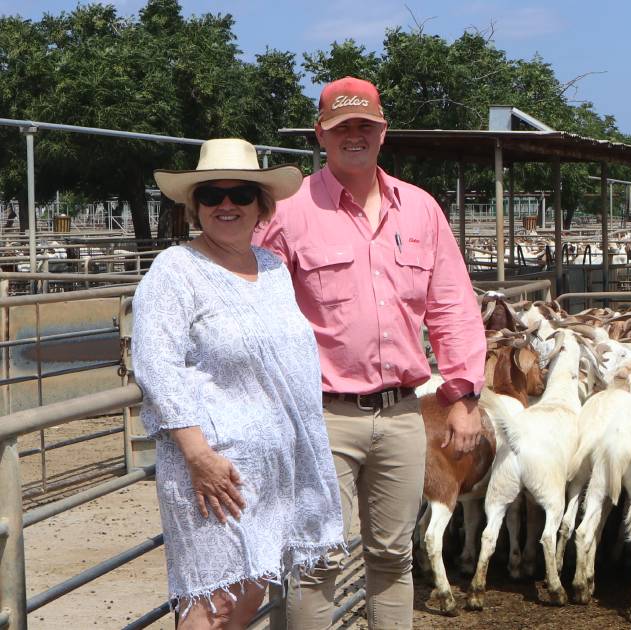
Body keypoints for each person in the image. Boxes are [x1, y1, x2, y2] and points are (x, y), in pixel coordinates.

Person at [254, 76, 486, 629]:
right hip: (321, 415)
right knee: (317, 561)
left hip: (403, 413)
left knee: (392, 556)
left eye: (365, 126)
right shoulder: (289, 211)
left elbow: (452, 303)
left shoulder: (420, 210)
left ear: (383, 133)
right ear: (321, 135)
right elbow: (257, 310)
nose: (353, 137)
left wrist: (463, 396)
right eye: (341, 128)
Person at [133, 138, 344, 628]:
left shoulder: (271, 268)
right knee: (212, 609)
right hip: (214, 476)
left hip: (273, 473)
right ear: (195, 206)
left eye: (240, 195)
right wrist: (198, 456)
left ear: (261, 205)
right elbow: (156, 366)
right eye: (212, 195)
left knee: (247, 601)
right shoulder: (176, 271)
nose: (226, 205)